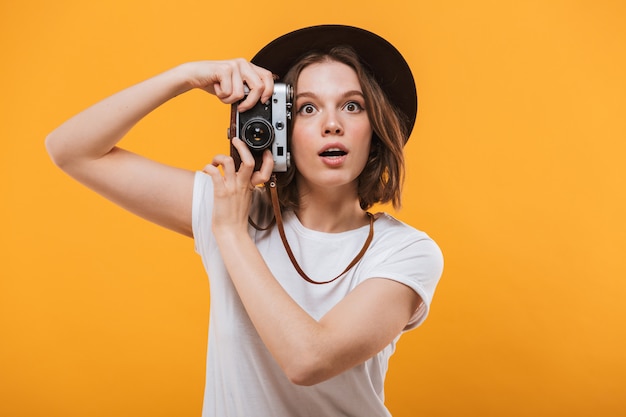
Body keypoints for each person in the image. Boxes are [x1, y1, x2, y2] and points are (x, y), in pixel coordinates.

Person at [46, 25, 443, 417]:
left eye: (351, 105)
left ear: (375, 129)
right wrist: (185, 76)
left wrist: (231, 234)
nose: (331, 124)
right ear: (280, 129)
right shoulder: (233, 207)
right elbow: (72, 151)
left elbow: (308, 360)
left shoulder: (405, 251)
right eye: (307, 108)